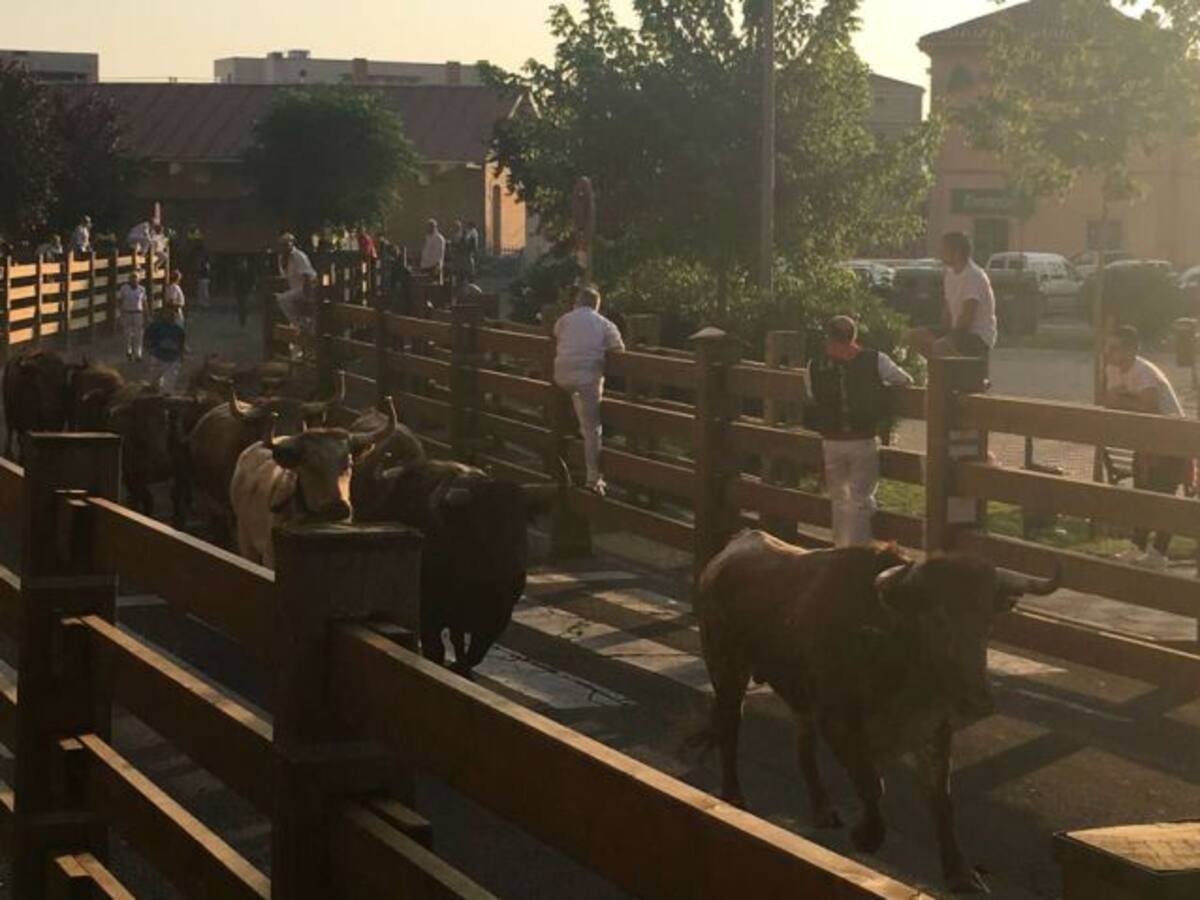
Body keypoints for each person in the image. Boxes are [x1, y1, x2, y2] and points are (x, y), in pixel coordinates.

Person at [806, 316, 914, 547]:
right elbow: (904, 380)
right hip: (862, 440)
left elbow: (812, 395)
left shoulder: (814, 365)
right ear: (854, 336)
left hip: (831, 441)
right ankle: (856, 554)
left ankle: (840, 548)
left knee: (839, 500)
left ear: (828, 335)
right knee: (860, 500)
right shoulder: (874, 359)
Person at [1104, 325, 1187, 570]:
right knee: (1142, 493)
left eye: (1115, 348)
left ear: (1132, 350)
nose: (1109, 353)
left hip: (1172, 440)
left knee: (1163, 497)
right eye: (1108, 348)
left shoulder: (1144, 373)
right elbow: (1108, 400)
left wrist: (1123, 400)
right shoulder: (1112, 369)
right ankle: (1138, 546)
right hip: (1146, 441)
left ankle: (1159, 553)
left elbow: (1149, 405)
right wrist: (1129, 401)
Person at [553, 286, 625, 495]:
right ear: (597, 305)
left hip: (562, 376)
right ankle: (593, 480)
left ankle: (566, 452)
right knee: (594, 430)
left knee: (578, 404)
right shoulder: (604, 323)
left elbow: (555, 333)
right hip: (587, 378)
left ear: (577, 302)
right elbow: (618, 348)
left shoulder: (565, 319)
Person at [909, 231, 998, 364]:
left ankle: (953, 375)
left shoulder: (974, 276)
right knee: (914, 336)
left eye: (944, 250)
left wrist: (947, 339)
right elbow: (947, 310)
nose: (941, 253)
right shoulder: (950, 274)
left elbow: (967, 319)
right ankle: (934, 372)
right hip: (957, 331)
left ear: (957, 252)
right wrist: (940, 331)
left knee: (940, 347)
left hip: (977, 336)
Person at [275, 233, 317, 359]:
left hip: (307, 289)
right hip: (296, 290)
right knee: (284, 299)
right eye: (282, 244)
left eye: (287, 243)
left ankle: (301, 325)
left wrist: (308, 297)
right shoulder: (282, 258)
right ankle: (299, 353)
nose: (285, 246)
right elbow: (285, 279)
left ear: (292, 244)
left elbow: (307, 276)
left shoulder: (299, 256)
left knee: (282, 299)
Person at [144, 305, 186, 392]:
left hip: (171, 359)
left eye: (171, 313)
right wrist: (149, 348)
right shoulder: (156, 326)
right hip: (158, 356)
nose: (169, 315)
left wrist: (181, 355)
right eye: (167, 313)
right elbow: (147, 338)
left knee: (168, 386)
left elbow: (181, 344)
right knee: (153, 384)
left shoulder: (178, 330)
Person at [117, 271, 148, 362]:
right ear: (129, 279)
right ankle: (128, 351)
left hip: (138, 313)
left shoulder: (142, 289)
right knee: (127, 334)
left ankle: (138, 354)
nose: (134, 280)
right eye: (132, 278)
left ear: (138, 280)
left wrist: (147, 314)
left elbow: (144, 302)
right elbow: (120, 300)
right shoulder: (124, 288)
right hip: (127, 313)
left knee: (139, 335)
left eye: (136, 278)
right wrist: (120, 312)